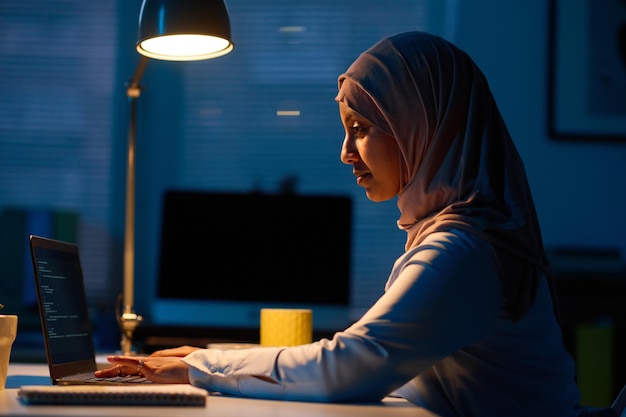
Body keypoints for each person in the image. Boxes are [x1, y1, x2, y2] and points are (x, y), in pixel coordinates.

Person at [96, 31, 616, 416]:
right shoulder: (460, 233)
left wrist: (202, 369)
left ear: (420, 126)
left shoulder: (463, 250)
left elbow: (353, 364)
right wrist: (214, 357)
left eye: (361, 129)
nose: (346, 153)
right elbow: (361, 355)